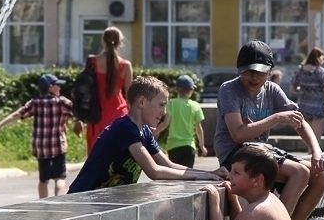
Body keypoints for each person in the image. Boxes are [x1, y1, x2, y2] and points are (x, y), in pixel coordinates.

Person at [213, 40, 324, 220]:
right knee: (299, 172)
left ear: (270, 71)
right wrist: (276, 118)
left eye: (260, 72)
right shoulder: (229, 90)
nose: (254, 77)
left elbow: (299, 122)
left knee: (323, 176)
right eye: (248, 72)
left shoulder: (272, 89)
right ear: (239, 70)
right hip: (235, 154)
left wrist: (316, 152)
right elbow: (238, 134)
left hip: (262, 151)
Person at [68, 76, 224, 193]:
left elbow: (168, 165)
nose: (163, 112)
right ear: (141, 102)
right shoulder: (125, 128)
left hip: (100, 200)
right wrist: (199, 177)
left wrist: (208, 174)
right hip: (82, 197)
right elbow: (154, 171)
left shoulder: (144, 132)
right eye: (161, 105)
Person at [0, 73, 80, 198]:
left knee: (43, 179)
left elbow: (17, 114)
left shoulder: (35, 103)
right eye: (57, 85)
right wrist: (78, 121)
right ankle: (59, 202)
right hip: (58, 146)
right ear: (50, 87)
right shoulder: (61, 102)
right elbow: (78, 111)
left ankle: (43, 204)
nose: (60, 87)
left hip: (41, 148)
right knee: (60, 178)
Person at [203, 144, 296, 220]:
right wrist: (233, 201)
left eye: (236, 172)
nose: (229, 176)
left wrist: (214, 205)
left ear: (257, 180)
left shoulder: (258, 210)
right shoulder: (271, 199)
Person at [83, 26, 133, 152]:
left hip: (97, 114)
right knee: (118, 158)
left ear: (102, 41)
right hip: (119, 113)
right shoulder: (126, 65)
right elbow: (130, 95)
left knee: (97, 158)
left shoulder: (93, 62)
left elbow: (85, 89)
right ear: (120, 42)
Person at [155, 75, 207, 167]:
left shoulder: (171, 103)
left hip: (173, 146)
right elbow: (199, 129)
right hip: (189, 146)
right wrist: (202, 146)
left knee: (175, 176)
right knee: (187, 176)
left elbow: (165, 123)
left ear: (177, 90)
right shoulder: (195, 106)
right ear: (192, 90)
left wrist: (155, 131)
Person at [291, 48, 324, 143]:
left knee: (309, 142)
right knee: (316, 141)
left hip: (303, 108)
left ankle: (309, 157)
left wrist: (304, 90)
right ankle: (314, 157)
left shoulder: (299, 70)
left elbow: (292, 89)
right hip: (318, 108)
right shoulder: (319, 71)